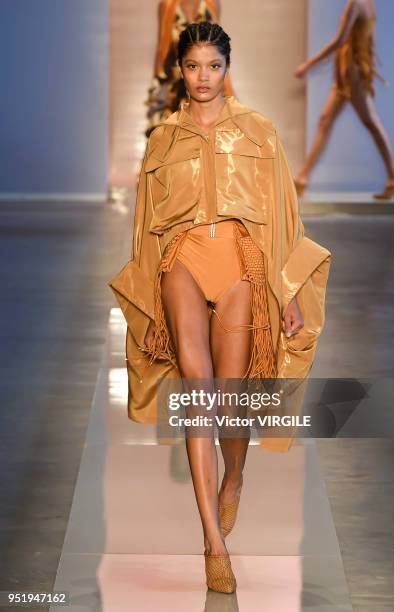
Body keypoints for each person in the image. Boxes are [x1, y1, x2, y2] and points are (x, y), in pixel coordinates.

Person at [109, 22, 332, 594]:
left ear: (226, 67)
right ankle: (213, 543)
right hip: (181, 259)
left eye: (213, 66)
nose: (203, 77)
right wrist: (148, 302)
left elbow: (283, 215)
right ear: (178, 70)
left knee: (231, 394)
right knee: (199, 390)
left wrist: (287, 291)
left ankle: (235, 475)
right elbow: (144, 228)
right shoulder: (162, 138)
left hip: (241, 263)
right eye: (192, 66)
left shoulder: (259, 130)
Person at [294, 0, 394, 200]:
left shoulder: (356, 3)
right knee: (326, 120)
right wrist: (368, 69)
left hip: (350, 70)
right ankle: (303, 177)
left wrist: (308, 65)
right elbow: (370, 40)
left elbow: (339, 41)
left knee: (370, 121)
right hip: (350, 68)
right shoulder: (369, 4)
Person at [145, 0, 234, 137]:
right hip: (175, 85)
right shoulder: (167, 6)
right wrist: (157, 88)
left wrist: (226, 84)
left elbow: (219, 50)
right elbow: (161, 48)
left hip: (204, 82)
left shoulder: (212, 5)